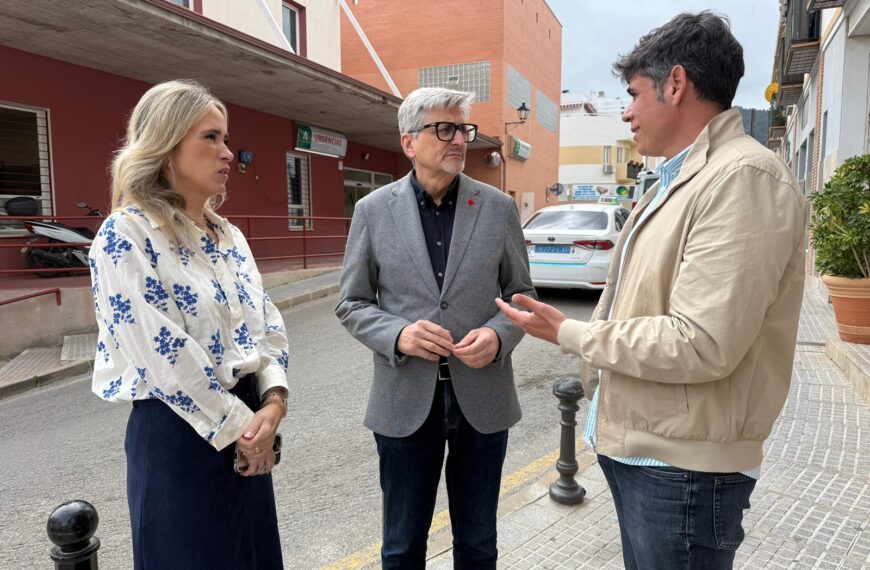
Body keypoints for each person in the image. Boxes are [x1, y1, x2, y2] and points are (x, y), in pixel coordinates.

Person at [497, 12, 805, 570]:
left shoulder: (742, 179)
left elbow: (701, 341)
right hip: (650, 451)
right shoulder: (679, 179)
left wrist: (569, 332)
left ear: (677, 84)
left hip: (684, 470)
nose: (629, 112)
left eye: (635, 94)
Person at [88, 79, 289, 569]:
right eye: (211, 137)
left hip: (248, 421)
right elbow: (161, 355)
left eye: (225, 139)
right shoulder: (126, 234)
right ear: (165, 143)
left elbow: (265, 321)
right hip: (178, 434)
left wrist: (274, 401)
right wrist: (248, 429)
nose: (227, 153)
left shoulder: (228, 235)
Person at [335, 87, 535, 568]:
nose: (458, 140)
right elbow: (352, 303)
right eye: (443, 129)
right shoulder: (373, 211)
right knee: (402, 546)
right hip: (404, 401)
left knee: (478, 543)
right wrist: (397, 335)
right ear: (409, 142)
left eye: (463, 129)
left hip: (482, 401)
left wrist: (499, 335)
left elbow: (520, 298)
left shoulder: (497, 208)